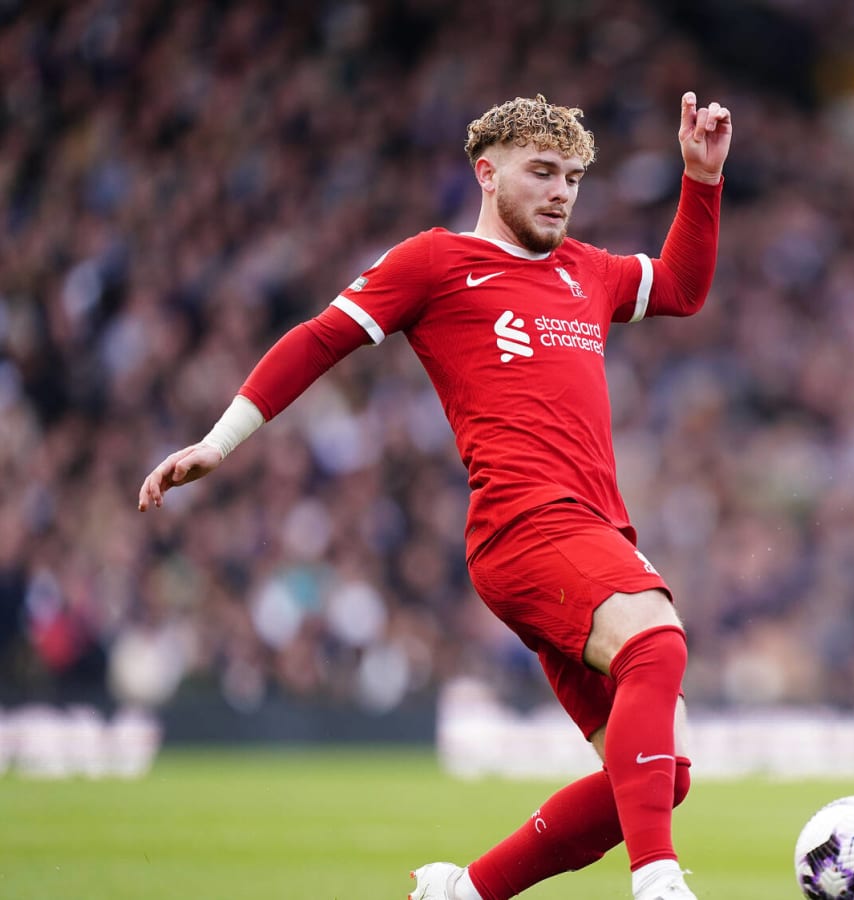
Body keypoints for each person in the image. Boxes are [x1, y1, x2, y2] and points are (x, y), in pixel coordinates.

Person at [138, 92, 732, 900]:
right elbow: (319, 338)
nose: (561, 192)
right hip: (523, 526)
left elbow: (683, 289)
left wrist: (702, 179)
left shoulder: (584, 271)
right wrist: (218, 440)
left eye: (573, 178)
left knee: (663, 779)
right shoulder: (435, 262)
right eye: (542, 173)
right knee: (657, 643)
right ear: (487, 175)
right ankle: (659, 883)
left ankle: (464, 892)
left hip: (592, 535)